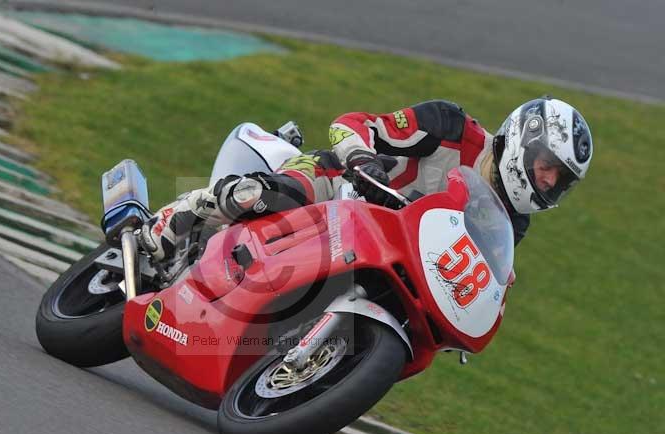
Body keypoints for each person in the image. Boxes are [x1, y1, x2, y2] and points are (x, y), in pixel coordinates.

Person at [137, 97, 593, 262]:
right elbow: (354, 123)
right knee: (268, 195)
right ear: (522, 140)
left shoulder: (511, 225)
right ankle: (161, 228)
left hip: (382, 253)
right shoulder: (451, 127)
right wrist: (362, 159)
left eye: (560, 180)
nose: (547, 181)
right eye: (546, 165)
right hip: (338, 188)